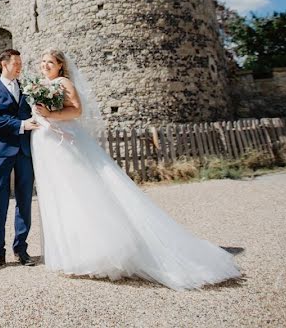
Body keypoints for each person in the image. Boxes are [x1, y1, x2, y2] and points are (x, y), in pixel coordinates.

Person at [29, 49, 242, 290]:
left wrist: (51, 114)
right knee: (62, 197)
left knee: (80, 192)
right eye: (43, 61)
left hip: (65, 142)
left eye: (50, 62)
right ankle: (72, 253)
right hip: (48, 145)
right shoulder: (41, 84)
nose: (45, 65)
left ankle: (100, 252)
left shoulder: (62, 82)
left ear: (60, 66)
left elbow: (77, 110)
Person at [0, 49, 40, 272]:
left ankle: (21, 248)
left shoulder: (28, 89)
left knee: (24, 201)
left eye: (20, 63)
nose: (20, 67)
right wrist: (21, 125)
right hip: (1, 152)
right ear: (4, 64)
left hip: (24, 152)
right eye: (16, 63)